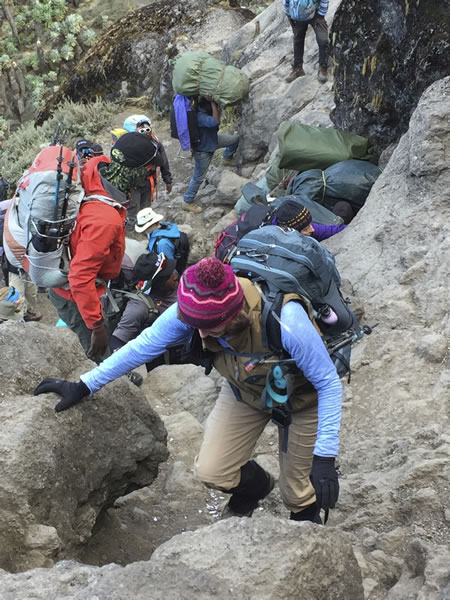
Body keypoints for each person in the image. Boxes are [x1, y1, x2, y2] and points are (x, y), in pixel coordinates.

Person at [35, 257, 341, 525]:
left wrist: (324, 456)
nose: (201, 333)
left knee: (298, 493)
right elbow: (142, 347)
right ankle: (256, 489)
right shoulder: (191, 312)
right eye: (195, 325)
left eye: (211, 326)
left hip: (303, 399)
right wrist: (84, 385)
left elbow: (328, 382)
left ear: (236, 314)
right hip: (244, 391)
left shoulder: (286, 321)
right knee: (213, 472)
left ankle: (305, 532)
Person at [48, 132, 159, 363]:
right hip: (74, 295)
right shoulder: (104, 221)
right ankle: (112, 384)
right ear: (136, 171)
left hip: (68, 278)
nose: (150, 173)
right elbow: (80, 278)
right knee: (99, 349)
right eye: (149, 169)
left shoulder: (94, 168)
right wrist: (96, 326)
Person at [183, 95, 239, 214]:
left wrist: (213, 103)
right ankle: (187, 201)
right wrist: (213, 104)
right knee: (198, 177)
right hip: (203, 151)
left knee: (235, 139)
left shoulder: (204, 111)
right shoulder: (201, 116)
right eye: (213, 105)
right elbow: (215, 121)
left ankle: (227, 157)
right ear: (206, 105)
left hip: (213, 141)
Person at [122, 115, 173, 231]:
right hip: (133, 184)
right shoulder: (129, 144)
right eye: (142, 129)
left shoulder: (156, 143)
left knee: (145, 209)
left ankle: (145, 231)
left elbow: (164, 162)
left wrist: (167, 180)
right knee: (133, 210)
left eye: (147, 129)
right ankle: (130, 233)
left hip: (148, 181)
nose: (145, 132)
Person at [284, 0, 329, 83]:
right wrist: (289, 14)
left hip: (315, 13)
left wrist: (321, 16)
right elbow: (286, 1)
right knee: (298, 39)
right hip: (298, 14)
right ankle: (298, 68)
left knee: (323, 39)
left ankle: (323, 68)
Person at [135, 207, 190, 274]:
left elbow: (168, 266)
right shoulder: (162, 227)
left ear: (153, 224)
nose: (143, 231)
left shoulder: (163, 243)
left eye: (145, 228)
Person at [274, 199, 347, 241]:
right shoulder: (277, 243)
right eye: (306, 229)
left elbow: (333, 230)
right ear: (290, 231)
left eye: (310, 224)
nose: (312, 229)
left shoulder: (301, 225)